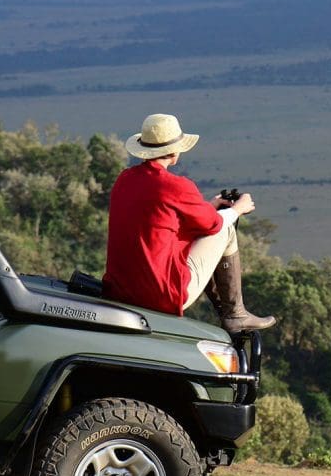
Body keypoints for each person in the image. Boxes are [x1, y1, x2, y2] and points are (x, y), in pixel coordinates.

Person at [103, 113, 276, 334]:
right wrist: (237, 209)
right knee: (226, 231)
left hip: (120, 292)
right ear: (175, 152)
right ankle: (235, 314)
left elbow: (162, 220)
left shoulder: (124, 179)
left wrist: (208, 206)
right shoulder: (176, 186)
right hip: (161, 295)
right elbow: (214, 225)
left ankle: (232, 314)